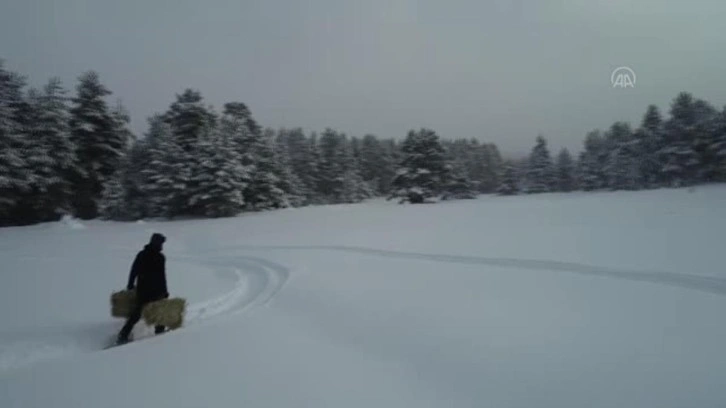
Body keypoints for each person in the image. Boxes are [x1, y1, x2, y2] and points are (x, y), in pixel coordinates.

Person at [116, 233, 169, 345]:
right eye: (161, 243)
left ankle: (123, 335)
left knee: (136, 313)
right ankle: (160, 332)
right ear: (157, 243)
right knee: (159, 312)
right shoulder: (160, 258)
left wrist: (130, 284)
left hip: (143, 290)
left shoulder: (142, 254)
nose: (162, 246)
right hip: (155, 290)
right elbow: (162, 276)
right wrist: (164, 291)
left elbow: (133, 270)